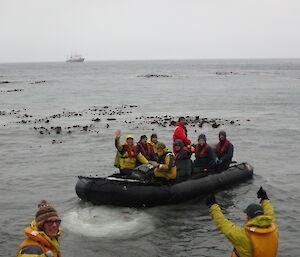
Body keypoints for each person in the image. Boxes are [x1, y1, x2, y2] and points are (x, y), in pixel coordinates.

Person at [206, 187, 278, 257]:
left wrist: (213, 206)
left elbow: (222, 222)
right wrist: (265, 199)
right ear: (262, 215)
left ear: (248, 217)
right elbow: (269, 212)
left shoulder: (242, 236)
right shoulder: (273, 229)